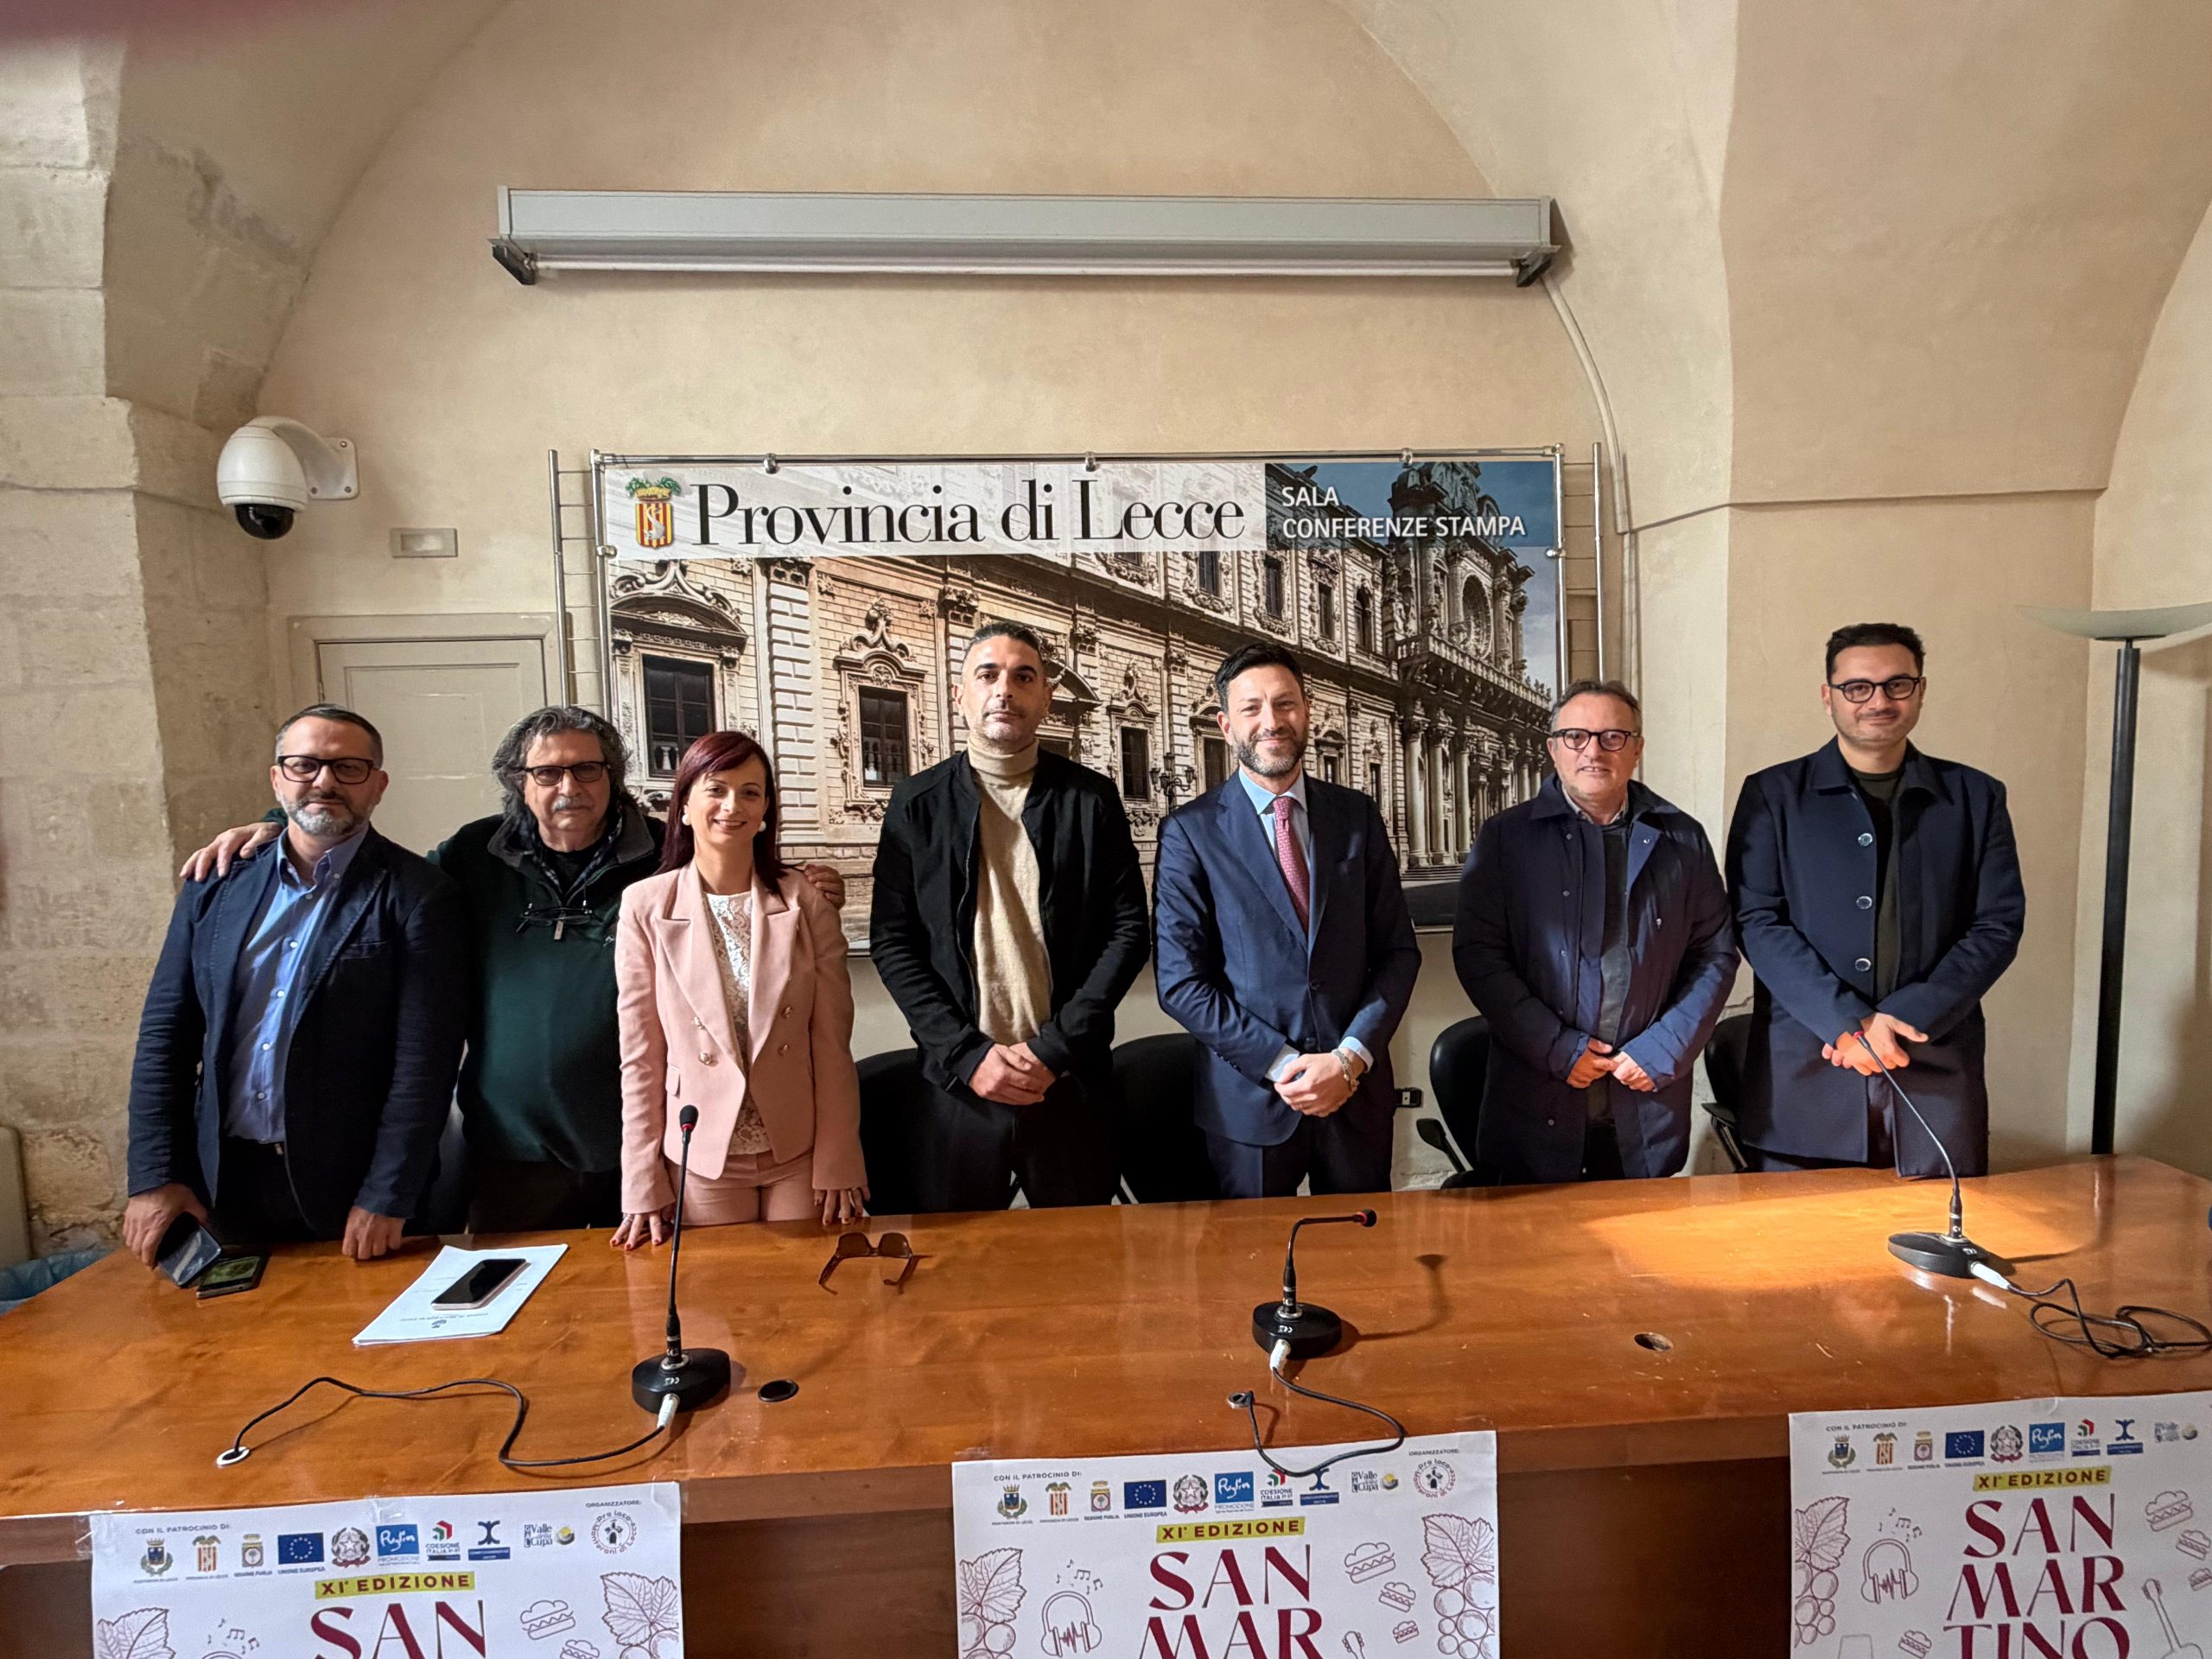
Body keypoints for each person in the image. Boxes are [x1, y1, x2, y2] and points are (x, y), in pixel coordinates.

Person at [181, 707, 847, 1233]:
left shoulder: (664, 855)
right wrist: (279, 828)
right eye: (547, 774)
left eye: (587, 770)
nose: (569, 788)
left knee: (654, 1308)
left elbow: (735, 862)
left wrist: (805, 884)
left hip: (647, 1144)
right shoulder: (472, 855)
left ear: (613, 777)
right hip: (513, 1151)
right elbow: (374, 873)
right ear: (518, 783)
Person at [123, 705, 466, 1263]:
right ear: (277, 778)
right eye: (304, 765)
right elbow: (166, 1033)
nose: (325, 781)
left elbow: (424, 1065)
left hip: (352, 1190)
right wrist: (156, 1176)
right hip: (220, 1185)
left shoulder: (419, 895)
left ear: (378, 785)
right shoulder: (215, 882)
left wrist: (388, 1195)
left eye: (348, 767)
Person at [868, 620, 1150, 1211]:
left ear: (1046, 698)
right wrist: (967, 1055)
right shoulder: (916, 804)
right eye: (987, 675)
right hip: (959, 1086)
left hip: (1070, 1080)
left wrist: (1054, 1050)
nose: (1004, 690)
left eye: (1024, 677)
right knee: (960, 1260)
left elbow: (1127, 931)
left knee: (1080, 1256)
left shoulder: (1091, 799)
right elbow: (894, 942)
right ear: (960, 695)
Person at [1726, 622, 2024, 1175]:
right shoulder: (1773, 794)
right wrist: (1847, 1023)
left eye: (1897, 685)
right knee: (1796, 1230)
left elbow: (1997, 925)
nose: (1879, 701)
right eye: (1858, 687)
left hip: (1934, 1066)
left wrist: (1908, 1015)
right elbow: (1756, 921)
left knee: (1937, 1226)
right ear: (1828, 696)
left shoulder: (1975, 796)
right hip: (1808, 1072)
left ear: (1921, 690)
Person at [1154, 644, 1421, 1198]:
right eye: (1251, 708)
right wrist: (1282, 1064)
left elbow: (1397, 953)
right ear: (1226, 725)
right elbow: (1181, 983)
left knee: (1362, 1248)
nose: (1271, 721)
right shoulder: (1189, 832)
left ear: (1307, 711)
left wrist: (1349, 1059)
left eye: (1285, 703)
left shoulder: (1357, 816)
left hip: (1355, 1094)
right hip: (1249, 1101)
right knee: (1252, 1252)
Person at [1451, 680, 1738, 1183]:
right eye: (1576, 736)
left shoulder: (1682, 838)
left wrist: (1663, 1048)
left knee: (1644, 1230)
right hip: (1535, 1097)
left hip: (1646, 1094)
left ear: (1637, 749)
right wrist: (1556, 1047)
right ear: (1553, 748)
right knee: (1533, 1230)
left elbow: (1715, 953)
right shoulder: (1505, 838)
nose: (1593, 751)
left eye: (1612, 737)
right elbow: (1479, 954)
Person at [612, 730, 865, 1241]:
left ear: (766, 809)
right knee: (720, 1287)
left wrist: (840, 1155)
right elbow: (641, 1057)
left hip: (797, 1147)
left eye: (750, 792)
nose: (733, 806)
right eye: (716, 789)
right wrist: (641, 1178)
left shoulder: (805, 900)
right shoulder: (645, 905)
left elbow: (832, 1044)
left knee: (811, 1282)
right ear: (684, 805)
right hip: (701, 1151)